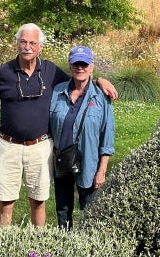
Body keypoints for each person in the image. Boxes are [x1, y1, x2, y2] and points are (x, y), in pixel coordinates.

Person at [0, 23, 116, 226]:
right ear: (17, 44)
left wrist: (100, 81)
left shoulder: (50, 71)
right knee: (6, 201)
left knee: (38, 200)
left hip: (39, 147)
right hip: (9, 146)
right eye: (23, 42)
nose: (27, 47)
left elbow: (78, 80)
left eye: (33, 43)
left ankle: (38, 245)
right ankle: (3, 246)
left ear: (40, 46)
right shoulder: (3, 72)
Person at [49, 45, 115, 230]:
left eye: (84, 64)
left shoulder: (101, 97)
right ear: (70, 66)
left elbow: (107, 136)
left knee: (89, 210)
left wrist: (102, 171)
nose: (80, 68)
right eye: (76, 64)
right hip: (63, 161)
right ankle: (65, 244)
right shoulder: (57, 92)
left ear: (92, 67)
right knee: (63, 210)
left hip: (89, 162)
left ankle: (89, 249)